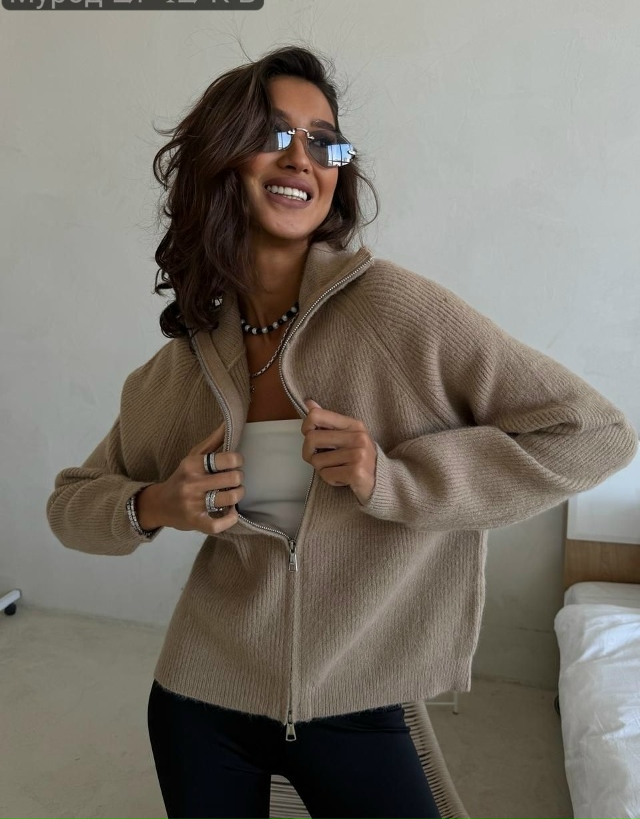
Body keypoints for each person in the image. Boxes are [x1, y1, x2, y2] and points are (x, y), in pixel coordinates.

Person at [46, 44, 638, 819]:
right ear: (220, 159)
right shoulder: (182, 367)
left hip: (356, 704)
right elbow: (71, 506)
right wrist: (158, 504)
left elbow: (593, 432)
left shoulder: (396, 314)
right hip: (200, 700)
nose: (303, 157)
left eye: (325, 142)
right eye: (273, 133)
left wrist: (392, 478)